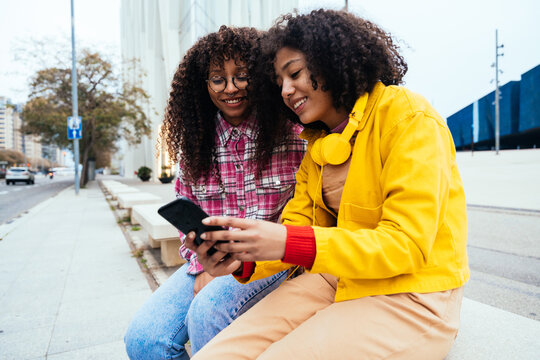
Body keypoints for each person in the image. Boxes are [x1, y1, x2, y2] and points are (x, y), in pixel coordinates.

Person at [186, 9, 469, 360]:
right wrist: (239, 258)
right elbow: (294, 232)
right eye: (279, 82)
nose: (287, 91)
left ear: (333, 60)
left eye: (295, 73)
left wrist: (287, 240)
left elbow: (406, 245)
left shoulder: (409, 117)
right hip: (337, 279)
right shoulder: (316, 145)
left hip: (415, 291)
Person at [124, 25, 305, 360]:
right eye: (218, 78)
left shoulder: (294, 133)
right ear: (203, 85)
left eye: (242, 76)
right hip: (212, 260)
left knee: (208, 312)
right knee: (145, 341)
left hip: (273, 260)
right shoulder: (196, 143)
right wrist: (204, 263)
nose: (230, 88)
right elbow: (188, 220)